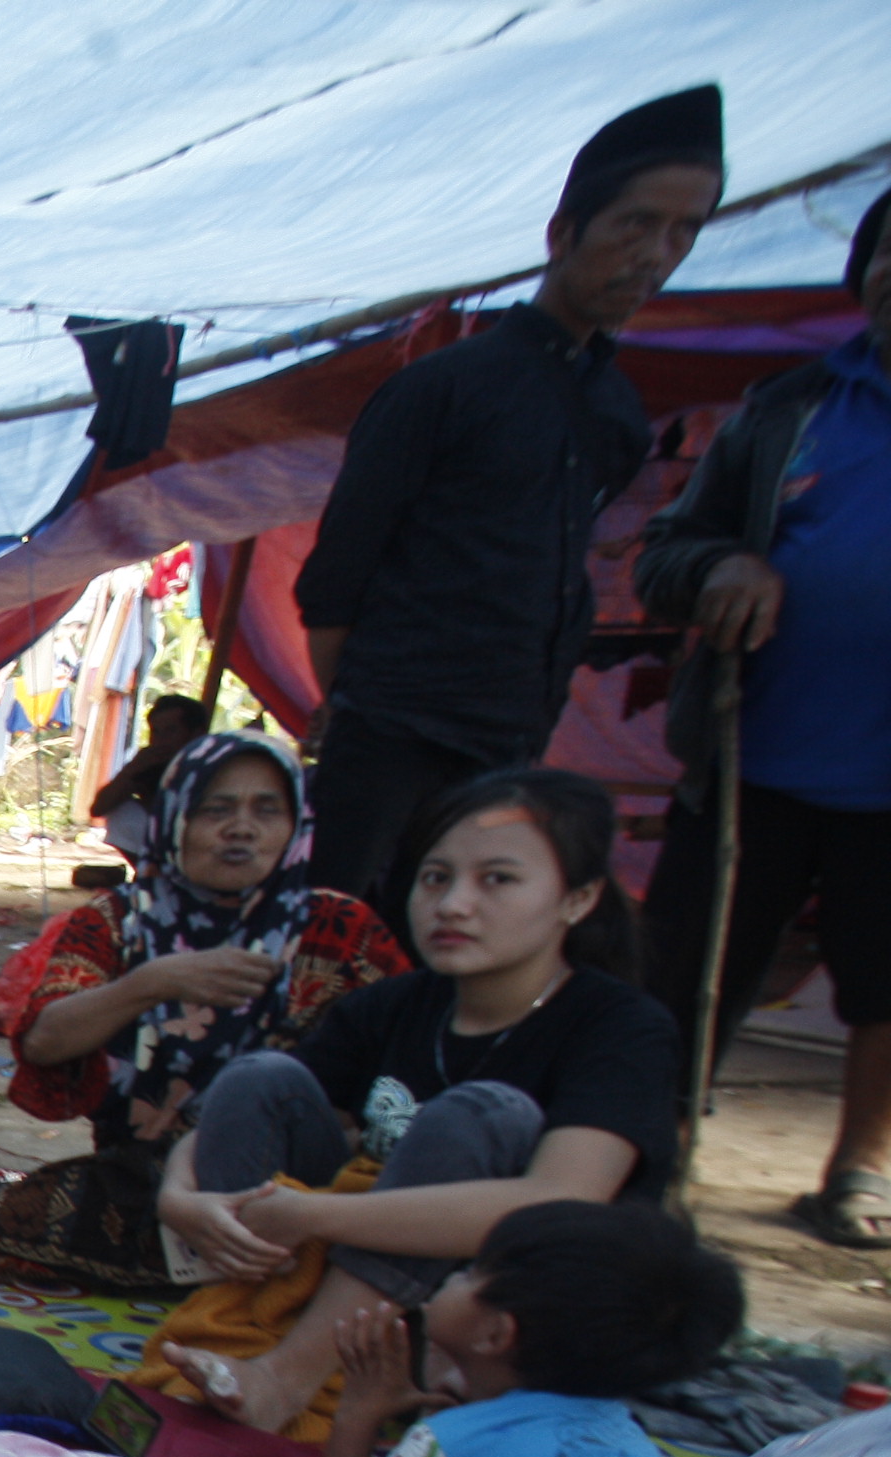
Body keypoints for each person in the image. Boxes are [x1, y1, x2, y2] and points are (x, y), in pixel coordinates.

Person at [296, 88, 726, 915]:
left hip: (511, 742)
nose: (655, 255)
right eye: (634, 224)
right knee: (340, 951)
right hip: (390, 734)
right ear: (564, 233)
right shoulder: (443, 388)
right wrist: (357, 714)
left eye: (683, 233)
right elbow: (335, 580)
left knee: (459, 955)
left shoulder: (616, 415)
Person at [159, 768, 683, 1433]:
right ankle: (241, 1333)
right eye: (436, 878)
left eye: (497, 879)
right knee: (258, 1078)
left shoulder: (620, 1028)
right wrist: (179, 1197)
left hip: (504, 1300)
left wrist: (314, 1216)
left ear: (577, 900)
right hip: (350, 1274)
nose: (454, 904)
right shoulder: (397, 1005)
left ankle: (289, 1378)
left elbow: (561, 1201)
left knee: (477, 1114)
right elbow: (225, 1125)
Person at [633, 184, 891, 1246]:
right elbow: (664, 557)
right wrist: (721, 564)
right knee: (688, 973)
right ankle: (650, 1151)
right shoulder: (790, 409)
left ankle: (860, 1172)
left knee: (887, 985)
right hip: (749, 763)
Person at [0, 733, 411, 1293]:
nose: (242, 828)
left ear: (295, 825)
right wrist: (152, 983)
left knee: (266, 1086)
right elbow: (43, 1042)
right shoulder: (121, 920)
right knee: (9, 1220)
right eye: (217, 809)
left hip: (307, 1181)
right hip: (154, 1171)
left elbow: (405, 1061)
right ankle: (240, 1271)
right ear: (175, 819)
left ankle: (253, 1271)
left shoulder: (340, 929)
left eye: (267, 810)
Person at [318, 1199, 738, 1457]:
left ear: (496, 1333)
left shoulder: (451, 1444)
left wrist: (359, 1412)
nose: (451, 1279)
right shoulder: (620, 1428)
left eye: (471, 1273)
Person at [83, 691, 209, 871]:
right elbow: (99, 809)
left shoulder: (212, 763)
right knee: (122, 811)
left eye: (171, 731)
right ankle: (149, 873)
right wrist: (132, 769)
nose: (160, 740)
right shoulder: (151, 762)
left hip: (205, 842)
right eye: (155, 732)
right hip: (164, 842)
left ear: (196, 734)